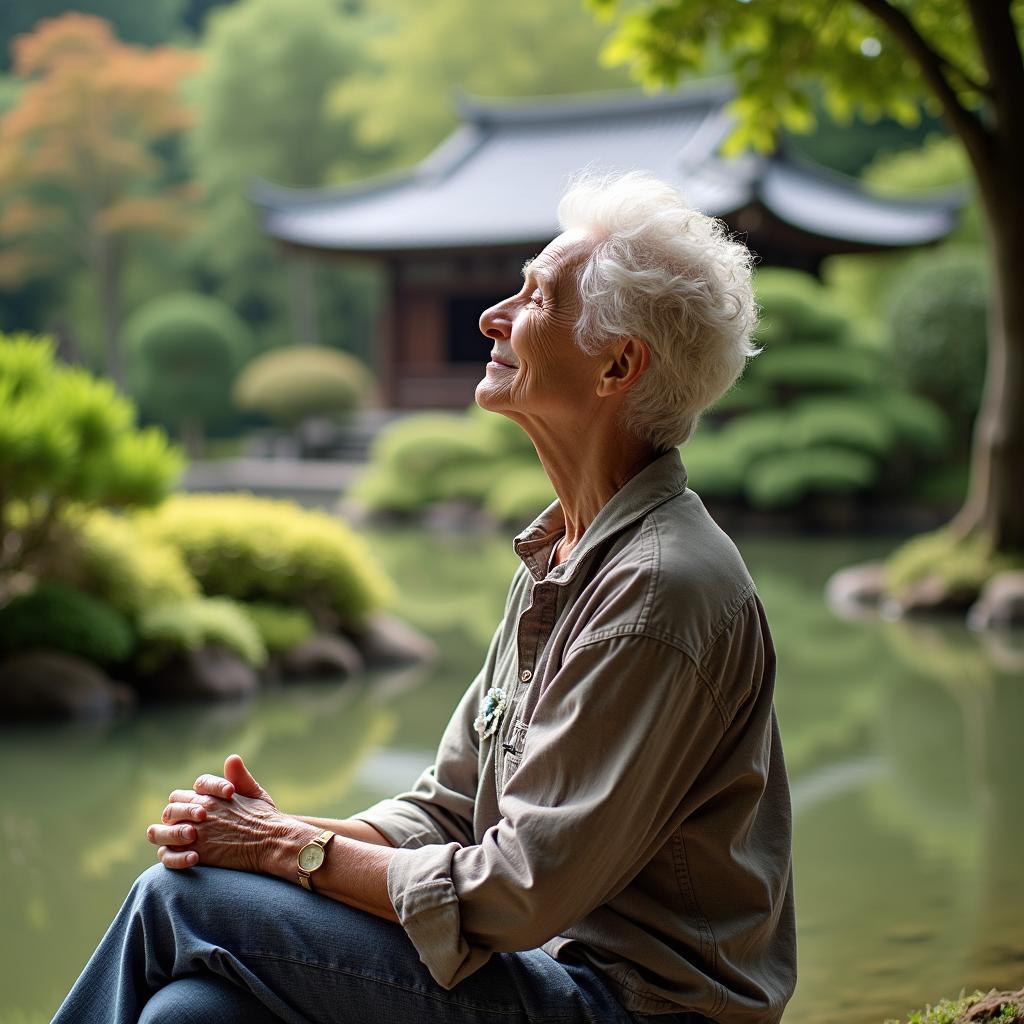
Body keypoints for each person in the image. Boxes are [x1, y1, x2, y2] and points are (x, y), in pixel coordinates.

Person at [51, 171, 796, 1024]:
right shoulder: (562, 553)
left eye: (537, 298)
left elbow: (520, 890)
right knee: (193, 1014)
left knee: (175, 901)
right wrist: (273, 834)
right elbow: (446, 807)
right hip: (548, 979)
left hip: (628, 1007)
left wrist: (291, 851)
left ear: (618, 364)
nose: (493, 316)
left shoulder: (660, 588)